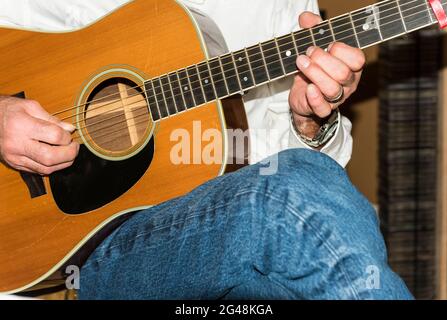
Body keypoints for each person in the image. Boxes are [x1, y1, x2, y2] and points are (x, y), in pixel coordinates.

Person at [0, 0, 413, 299]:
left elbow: (313, 191)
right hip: (94, 251)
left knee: (287, 273)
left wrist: (309, 120)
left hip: (223, 224)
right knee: (286, 193)